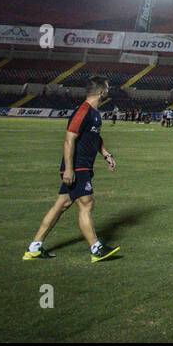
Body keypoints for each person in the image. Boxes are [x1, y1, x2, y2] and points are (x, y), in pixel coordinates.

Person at [23, 76, 120, 262]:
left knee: (62, 205)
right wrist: (68, 169)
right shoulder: (83, 111)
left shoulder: (95, 113)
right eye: (107, 88)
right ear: (101, 92)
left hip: (83, 166)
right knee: (86, 203)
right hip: (77, 167)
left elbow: (95, 138)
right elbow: (69, 139)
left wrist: (107, 155)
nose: (108, 92)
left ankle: (34, 247)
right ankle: (96, 248)